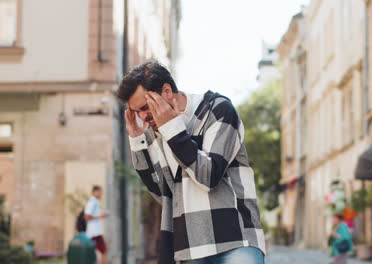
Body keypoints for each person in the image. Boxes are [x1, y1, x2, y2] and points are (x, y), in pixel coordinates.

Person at [118, 60, 266, 264]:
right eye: (137, 112)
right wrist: (137, 141)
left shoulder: (217, 110)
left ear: (167, 91)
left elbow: (209, 176)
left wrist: (172, 128)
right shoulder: (156, 131)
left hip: (235, 240)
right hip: (188, 248)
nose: (143, 116)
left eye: (145, 107)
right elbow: (163, 193)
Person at [84, 185, 109, 264]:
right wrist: (101, 216)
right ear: (95, 192)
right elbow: (86, 216)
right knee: (104, 251)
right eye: (100, 192)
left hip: (94, 232)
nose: (101, 194)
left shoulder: (95, 202)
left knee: (91, 253)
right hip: (94, 232)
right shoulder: (92, 202)